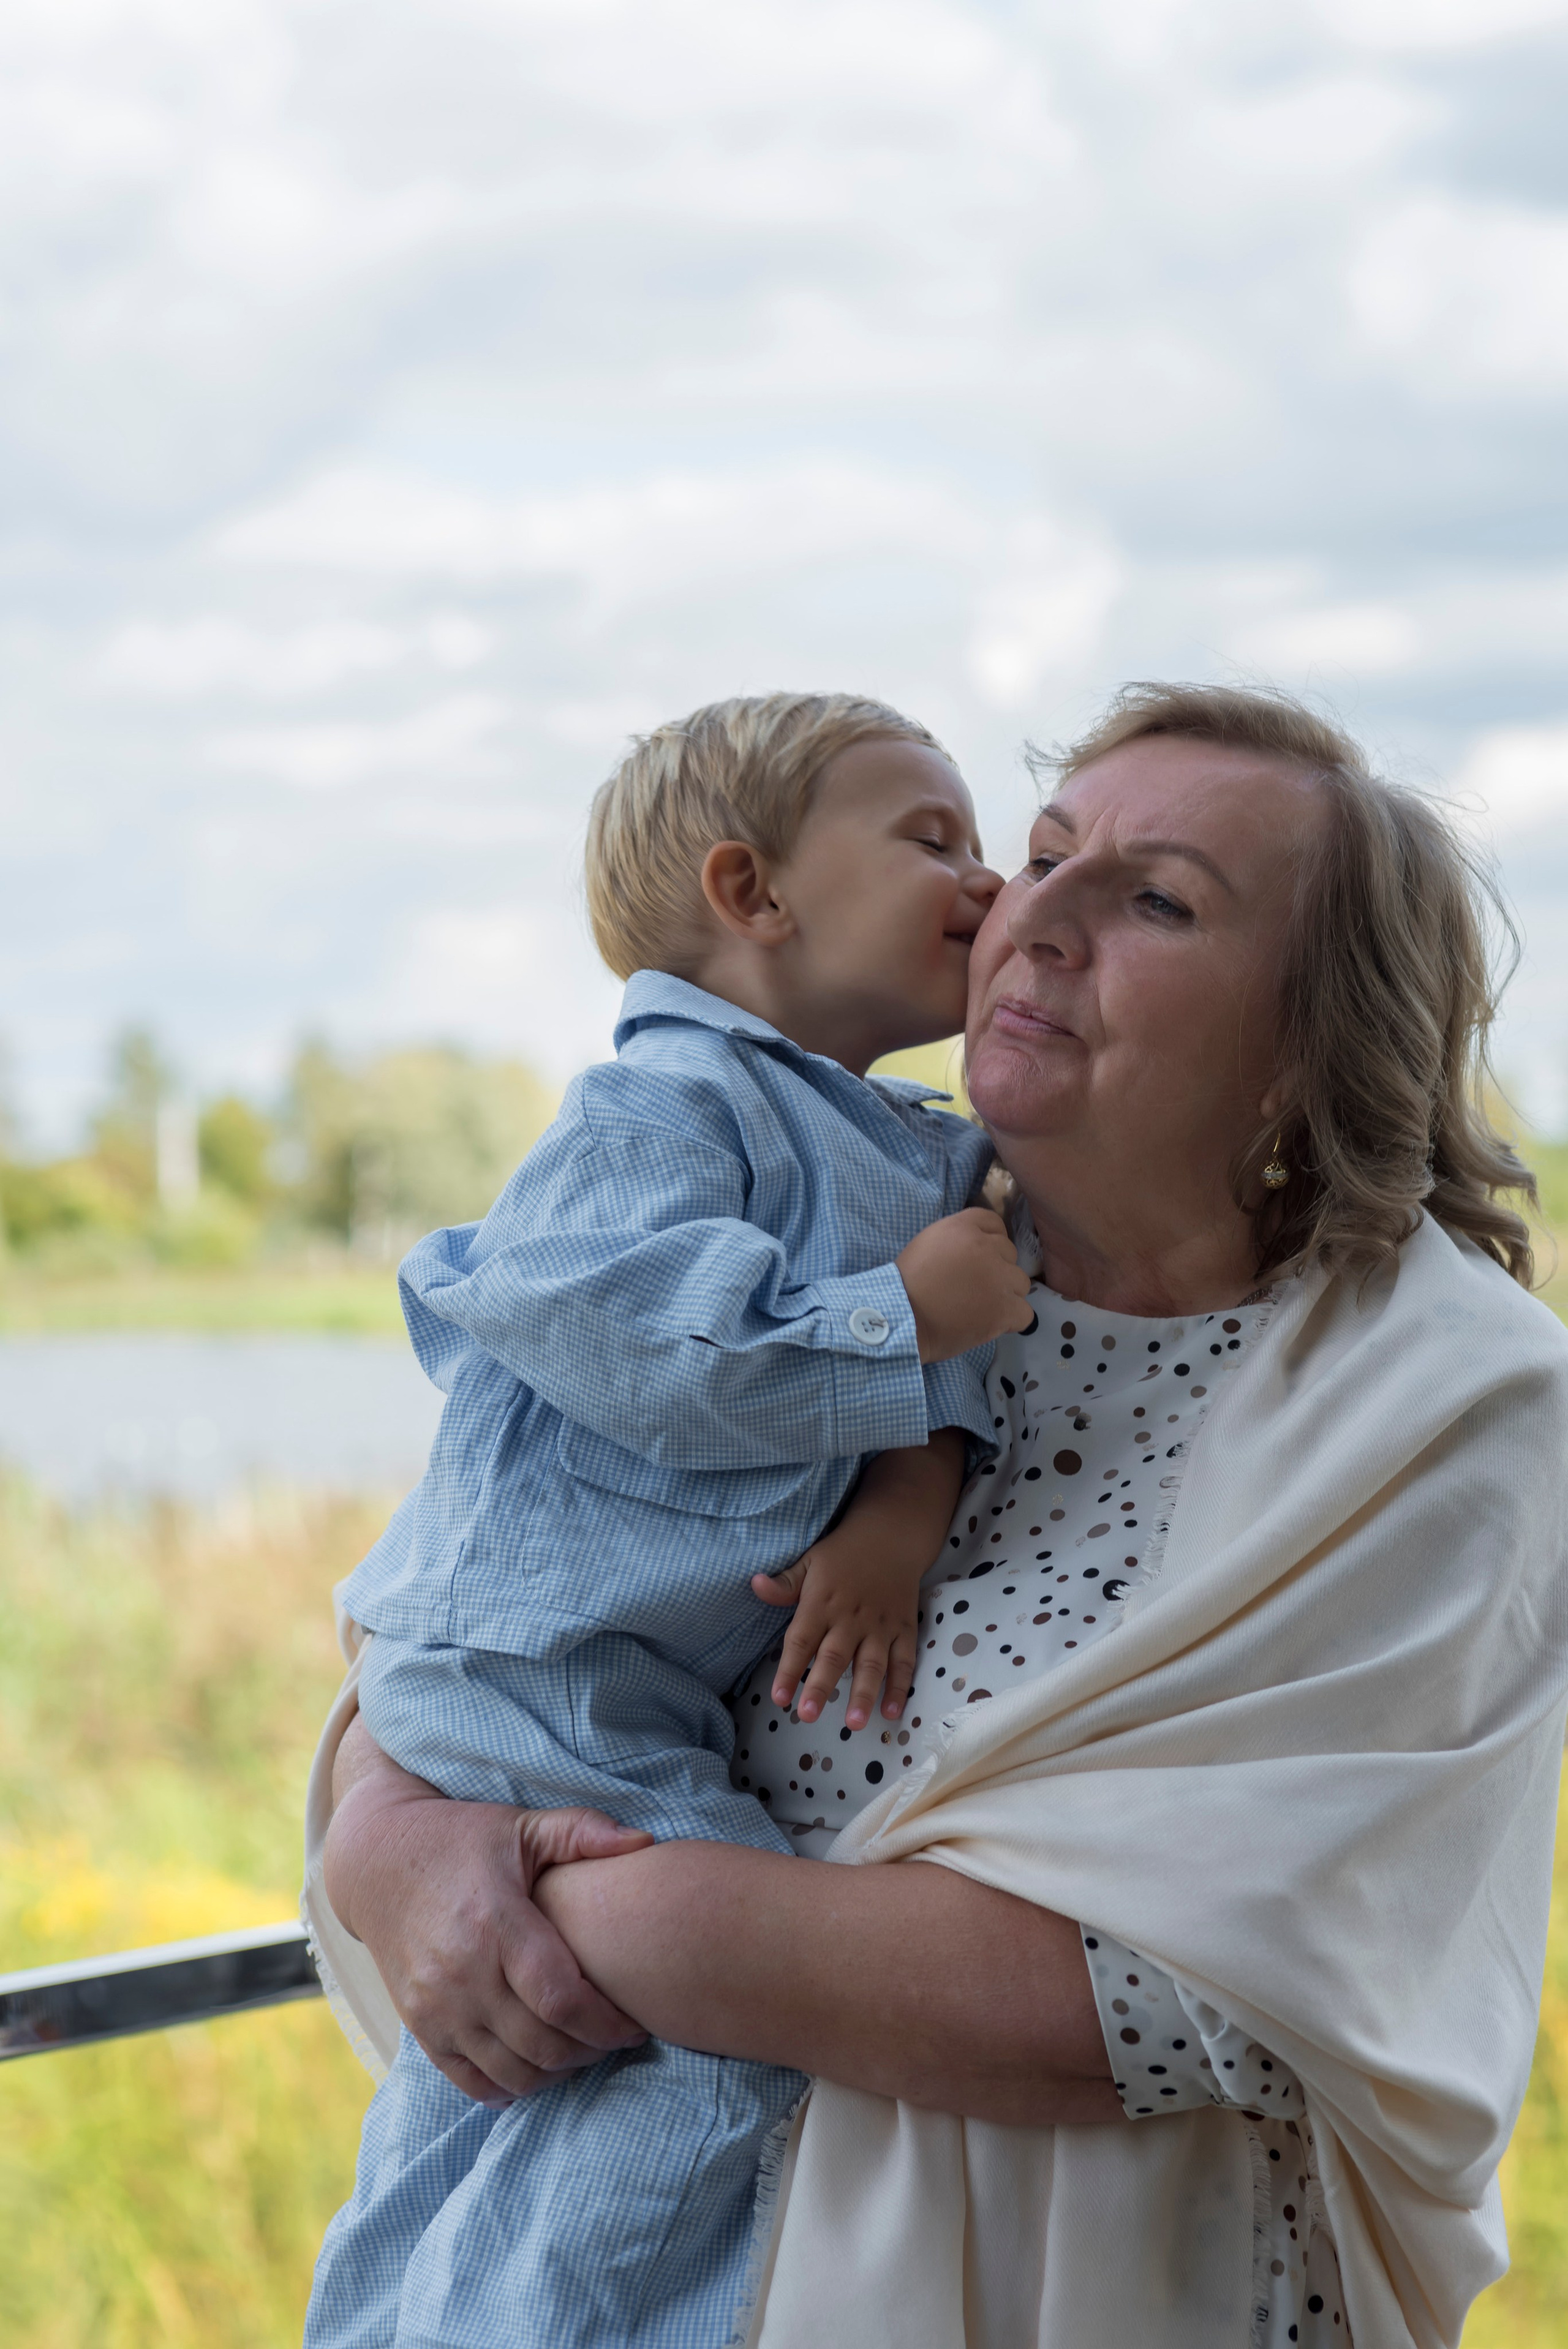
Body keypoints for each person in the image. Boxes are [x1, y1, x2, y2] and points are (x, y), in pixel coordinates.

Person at [315, 683, 1568, 2349]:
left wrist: (552, 1908)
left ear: (1307, 1041)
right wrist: (390, 1839)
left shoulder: (1445, 1397)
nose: (1028, 908)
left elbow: (1150, 1994)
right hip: (594, 2257)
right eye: (1040, 854)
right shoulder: (813, 1242)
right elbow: (495, 1598)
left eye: (1159, 899)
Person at [304, 692, 1040, 2349]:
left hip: (610, 1682)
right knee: (704, 2029)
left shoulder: (923, 1159)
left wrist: (902, 1508)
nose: (990, 885)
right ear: (751, 889)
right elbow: (617, 1332)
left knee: (480, 2096)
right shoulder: (664, 1105)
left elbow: (965, 1380)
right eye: (936, 837)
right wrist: (895, 1322)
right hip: (531, 1660)